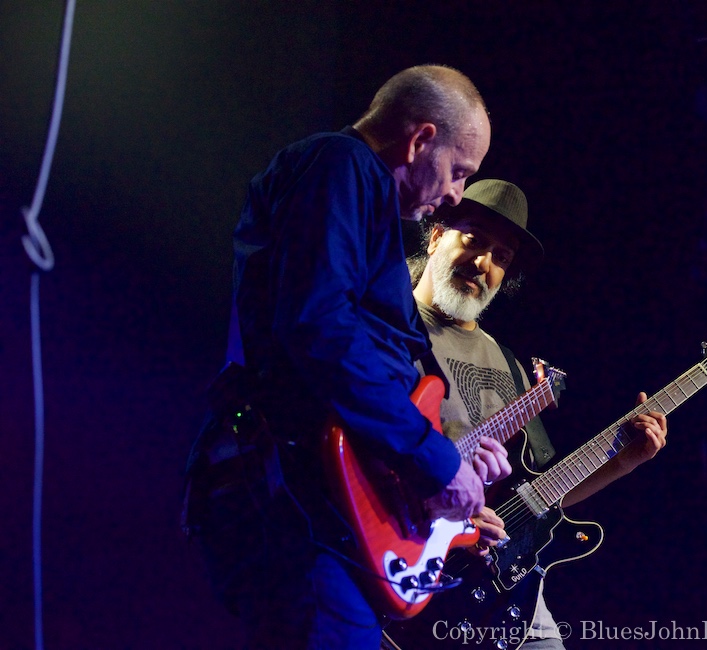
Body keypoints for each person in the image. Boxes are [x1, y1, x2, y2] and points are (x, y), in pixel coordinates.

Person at [181, 65, 512, 650]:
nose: (456, 194)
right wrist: (436, 464)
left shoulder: (358, 192)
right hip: (297, 499)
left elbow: (355, 356)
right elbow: (320, 328)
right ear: (421, 140)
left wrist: (441, 468)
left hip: (323, 507)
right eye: (459, 171)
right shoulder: (341, 163)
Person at [405, 179, 669, 649]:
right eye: (474, 240)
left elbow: (542, 493)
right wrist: (451, 517)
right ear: (436, 235)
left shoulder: (510, 365)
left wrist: (626, 460)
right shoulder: (390, 329)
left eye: (501, 257)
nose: (483, 263)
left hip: (509, 589)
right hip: (415, 566)